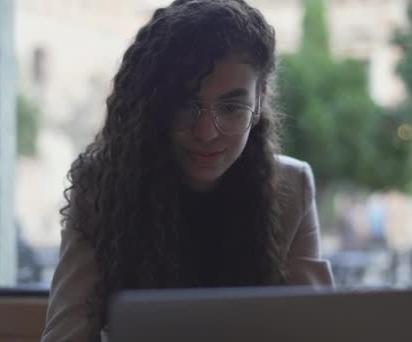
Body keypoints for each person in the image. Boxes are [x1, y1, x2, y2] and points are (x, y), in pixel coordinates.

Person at [42, 1, 333, 341]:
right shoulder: (101, 187)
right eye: (184, 104)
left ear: (258, 105)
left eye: (232, 107)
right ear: (156, 105)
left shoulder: (291, 188)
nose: (206, 132)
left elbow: (320, 329)